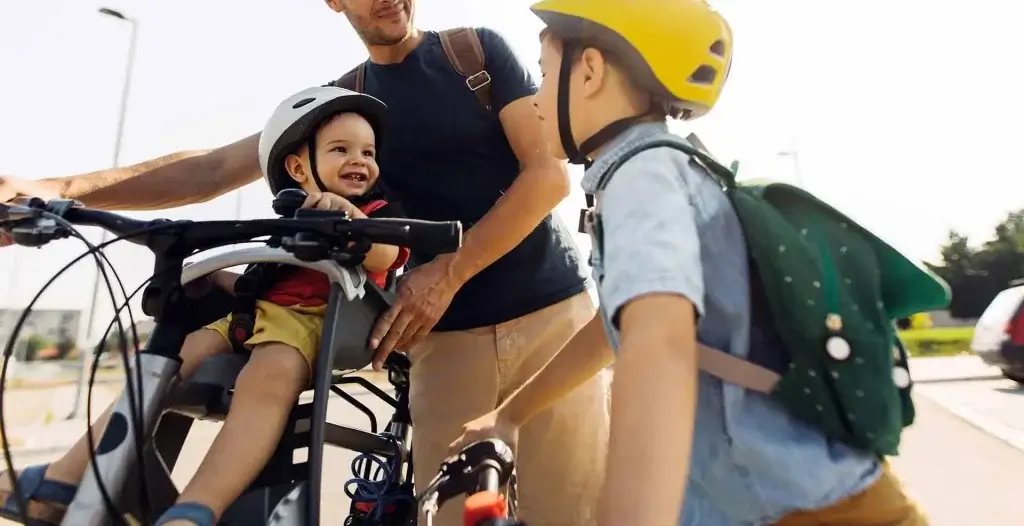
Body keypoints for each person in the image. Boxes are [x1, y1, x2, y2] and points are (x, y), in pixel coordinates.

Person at [0, 1, 609, 525]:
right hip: (443, 339)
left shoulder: (472, 55)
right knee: (447, 513)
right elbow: (213, 168)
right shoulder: (344, 107)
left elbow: (547, 177)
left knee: (570, 512)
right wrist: (58, 185)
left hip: (550, 316)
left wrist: (448, 272)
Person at [448, 1, 929, 525]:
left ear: (588, 72)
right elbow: (617, 329)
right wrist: (510, 414)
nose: (536, 100)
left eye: (542, 75)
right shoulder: (664, 169)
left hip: (814, 513)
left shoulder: (642, 177)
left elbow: (660, 345)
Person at [1, 87, 410, 526]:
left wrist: (350, 217)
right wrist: (215, 275)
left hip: (319, 323)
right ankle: (65, 479)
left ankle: (196, 510)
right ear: (298, 167)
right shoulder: (288, 218)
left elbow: (385, 254)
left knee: (265, 378)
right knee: (159, 365)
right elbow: (269, 283)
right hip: (252, 317)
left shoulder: (372, 211)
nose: (360, 160)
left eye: (368, 152)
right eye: (340, 149)